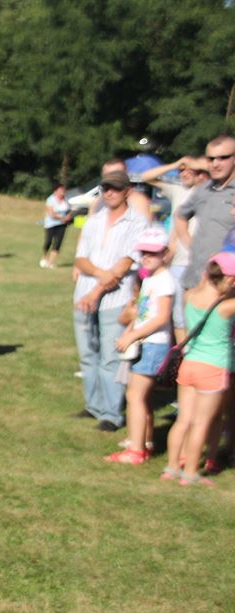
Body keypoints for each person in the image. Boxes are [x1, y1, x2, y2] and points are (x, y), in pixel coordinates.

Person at [72, 170, 147, 432]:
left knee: (110, 357)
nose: (109, 193)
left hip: (115, 298)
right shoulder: (93, 220)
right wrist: (99, 275)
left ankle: (111, 413)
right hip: (83, 292)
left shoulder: (137, 222)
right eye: (105, 188)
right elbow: (80, 258)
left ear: (127, 191)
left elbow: (126, 262)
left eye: (115, 188)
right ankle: (93, 405)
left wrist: (98, 288)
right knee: (87, 354)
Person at [162, 253, 235, 487]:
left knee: (183, 420)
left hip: (189, 365)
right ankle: (191, 472)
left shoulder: (190, 296)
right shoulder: (226, 307)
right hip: (212, 368)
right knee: (202, 423)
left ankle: (172, 468)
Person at [104, 228, 174, 465]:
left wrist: (133, 336)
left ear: (166, 253)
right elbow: (144, 312)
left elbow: (161, 317)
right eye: (143, 252)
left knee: (135, 396)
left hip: (153, 345)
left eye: (153, 253)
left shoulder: (164, 281)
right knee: (139, 396)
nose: (146, 256)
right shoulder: (151, 277)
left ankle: (136, 450)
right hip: (143, 342)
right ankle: (143, 441)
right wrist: (129, 331)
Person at [141, 156, 209, 343]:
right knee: (178, 316)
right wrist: (175, 164)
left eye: (189, 170)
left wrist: (195, 163)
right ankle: (182, 357)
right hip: (177, 261)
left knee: (200, 313)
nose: (184, 173)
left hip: (202, 262)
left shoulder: (210, 190)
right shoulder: (177, 190)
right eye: (181, 171)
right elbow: (146, 176)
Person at [174, 135, 235, 291]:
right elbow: (180, 215)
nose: (215, 164)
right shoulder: (204, 189)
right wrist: (189, 243)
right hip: (194, 281)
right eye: (211, 158)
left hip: (225, 287)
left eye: (223, 158)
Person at [41, 183, 73, 269]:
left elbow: (69, 210)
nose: (62, 192)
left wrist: (69, 216)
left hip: (62, 224)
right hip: (51, 224)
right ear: (56, 191)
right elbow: (51, 213)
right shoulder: (50, 200)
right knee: (49, 241)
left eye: (63, 190)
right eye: (60, 190)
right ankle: (44, 257)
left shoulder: (65, 200)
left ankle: (51, 262)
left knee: (58, 243)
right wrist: (62, 217)